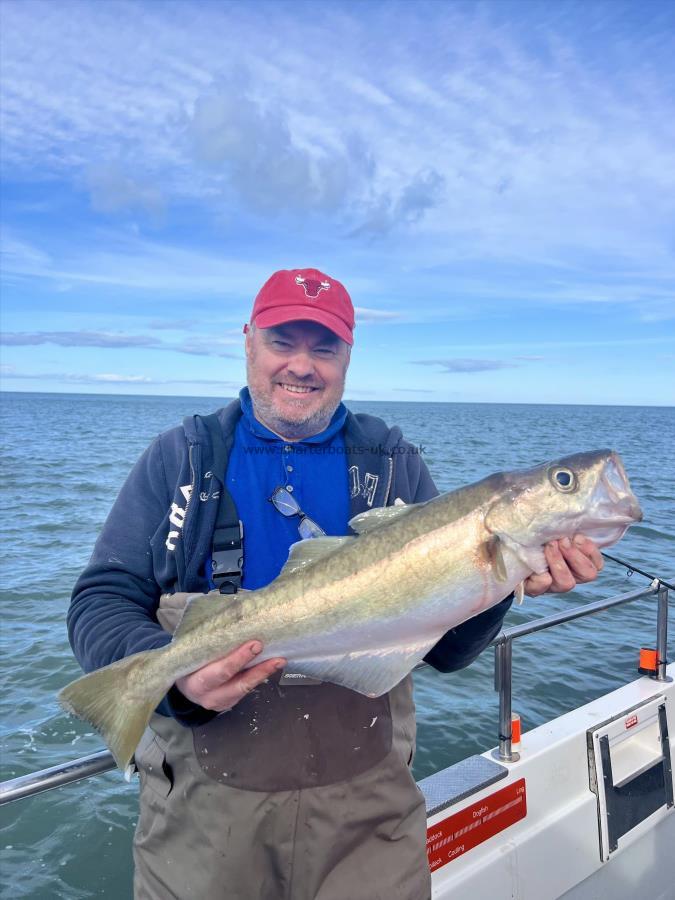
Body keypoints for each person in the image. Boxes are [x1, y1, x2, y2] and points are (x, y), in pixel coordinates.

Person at [67, 268, 603, 900]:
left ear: (349, 356)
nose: (302, 366)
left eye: (324, 347)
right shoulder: (183, 457)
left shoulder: (391, 461)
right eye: (281, 342)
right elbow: (100, 599)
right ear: (247, 341)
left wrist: (508, 579)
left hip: (368, 820)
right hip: (205, 825)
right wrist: (172, 682)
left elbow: (449, 651)